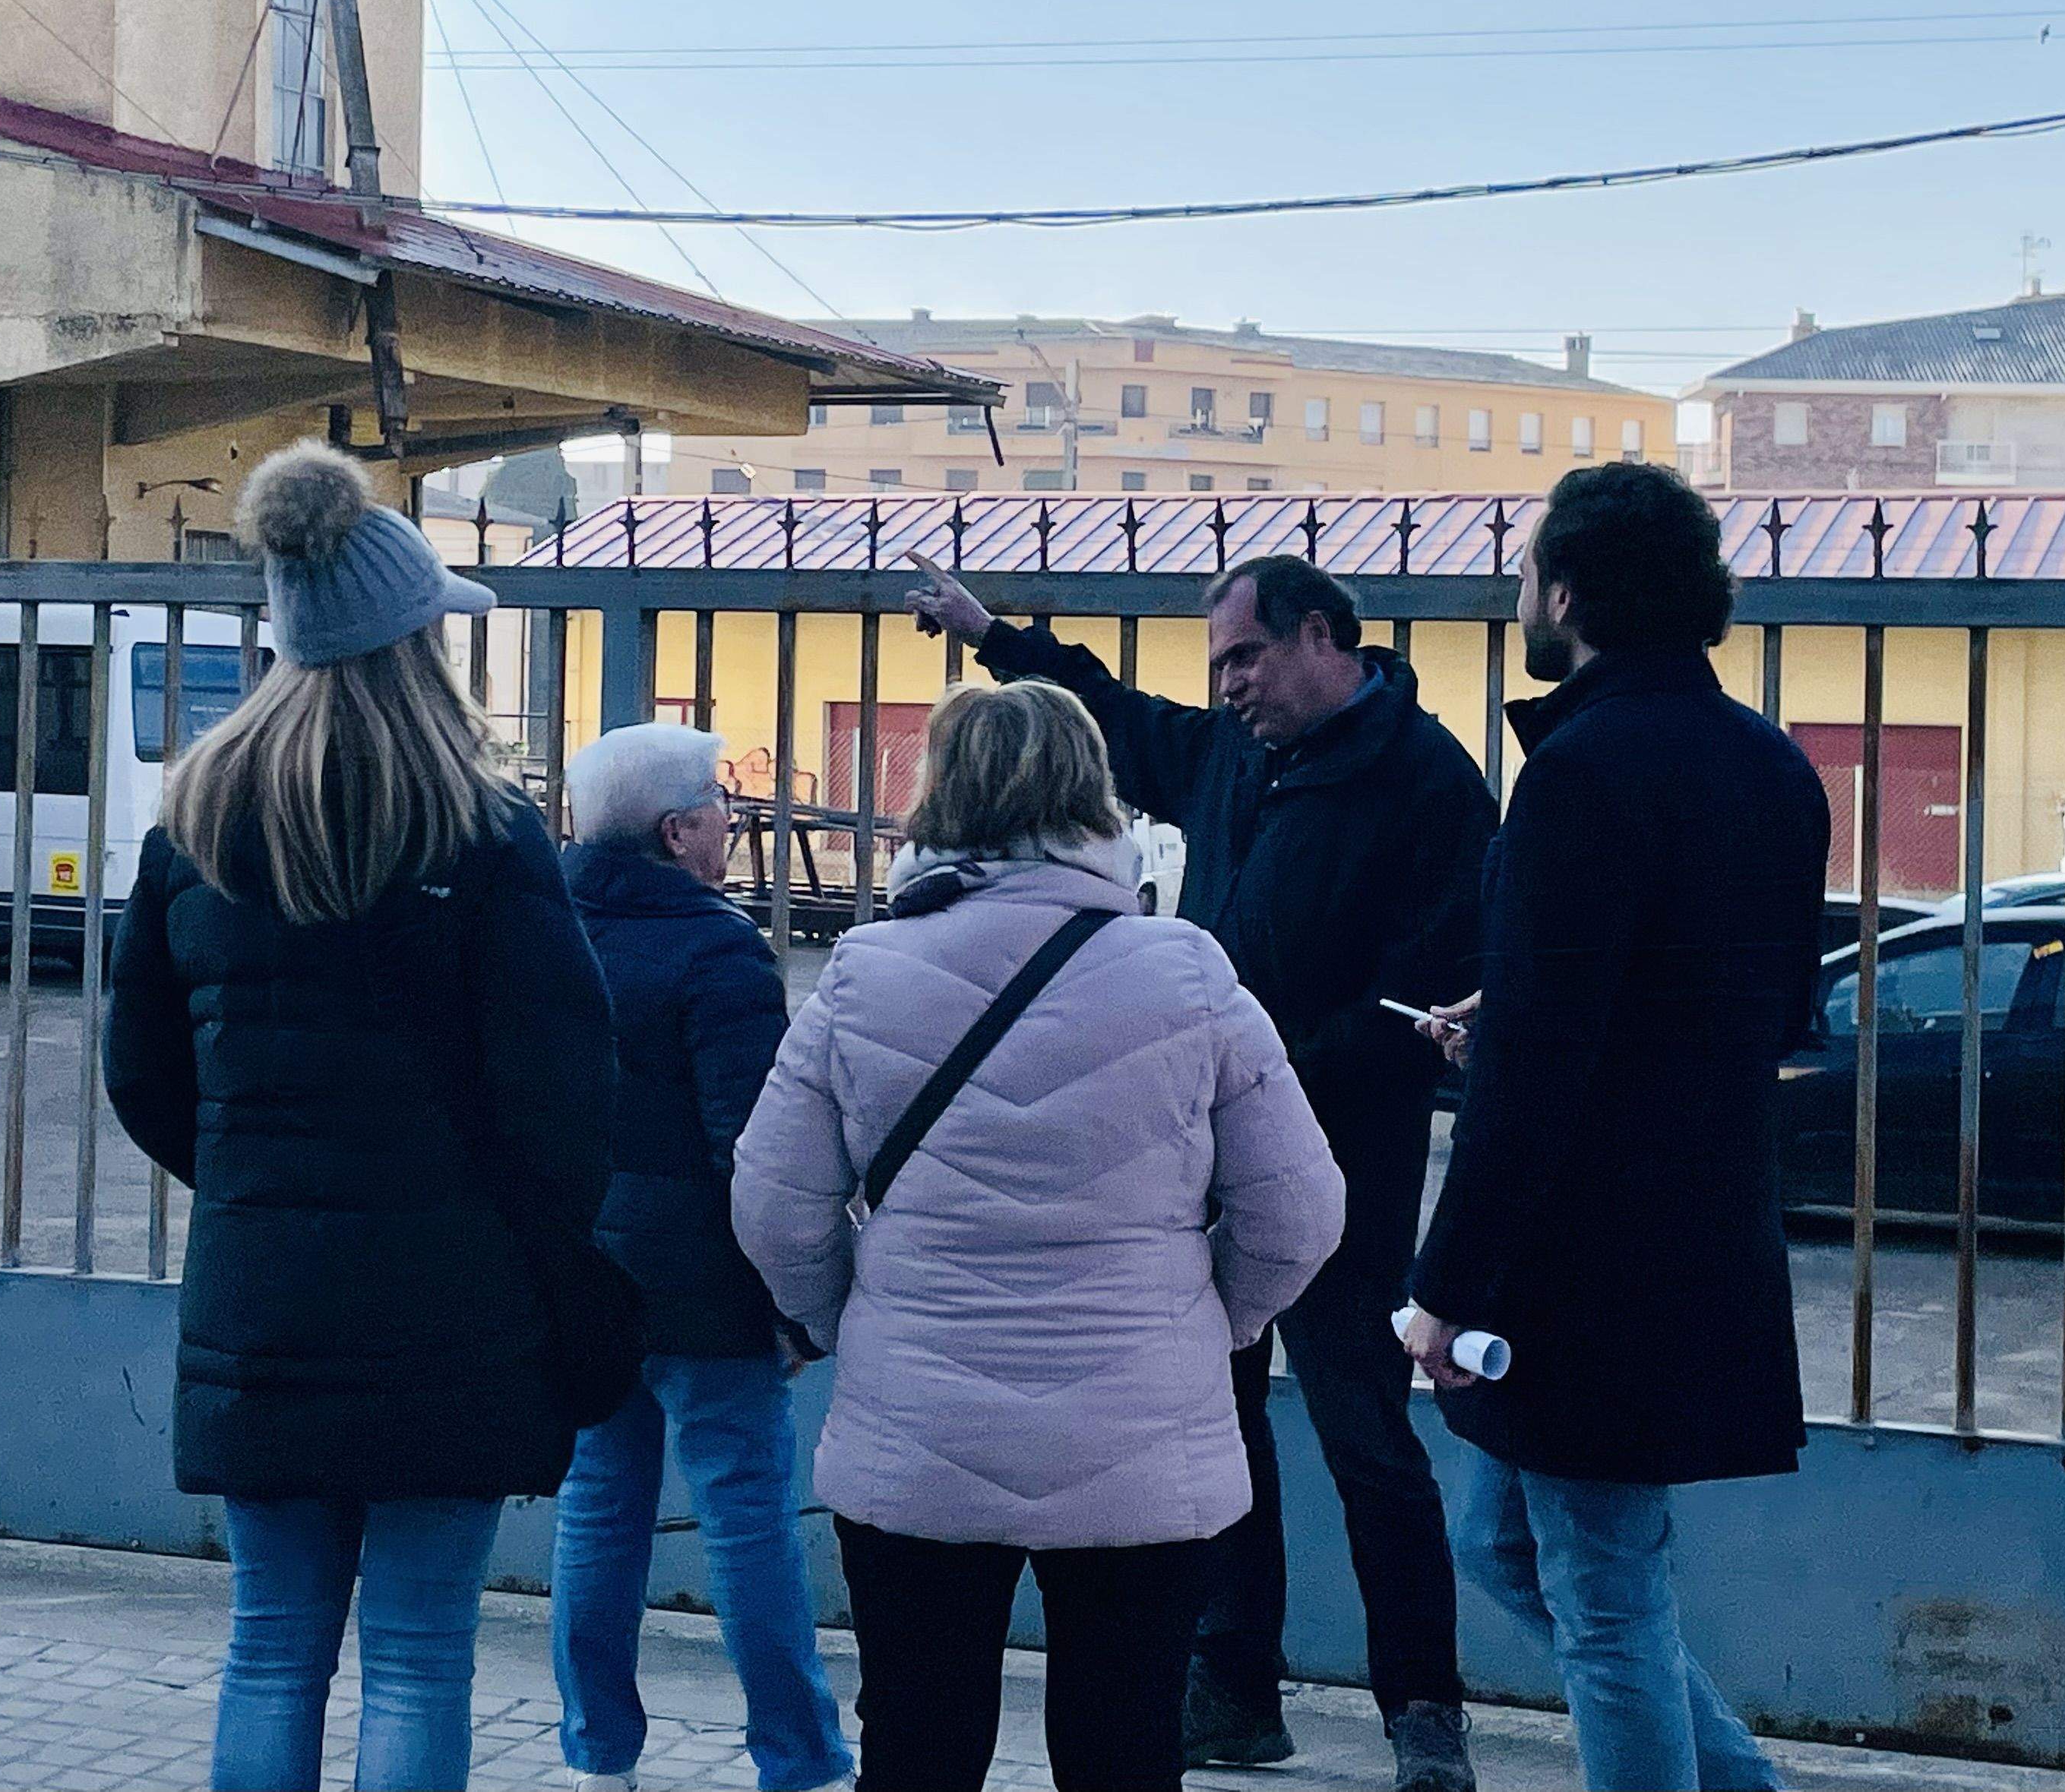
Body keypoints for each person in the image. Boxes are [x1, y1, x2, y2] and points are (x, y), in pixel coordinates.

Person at [906, 552, 1494, 1790]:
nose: (1224, 685)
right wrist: (989, 635)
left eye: (1245, 657)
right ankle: (1233, 1684)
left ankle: (1423, 1716)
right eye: (1216, 663)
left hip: (1341, 1162)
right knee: (1214, 1431)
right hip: (1202, 1156)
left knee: (1363, 1435)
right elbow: (1116, 720)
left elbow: (1427, 987)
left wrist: (1265, 1060)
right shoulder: (1238, 752)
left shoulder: (1429, 780)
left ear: (1324, 638)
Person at [105, 445, 615, 1792]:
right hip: (452, 1304)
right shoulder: (483, 828)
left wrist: (255, 1177)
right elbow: (566, 1087)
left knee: (270, 1646)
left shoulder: (193, 824)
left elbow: (143, 1078)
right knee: (418, 1650)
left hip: (260, 1298)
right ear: (415, 645)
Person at [732, 678, 1347, 1792]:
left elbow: (773, 1206)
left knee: (917, 1746)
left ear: (939, 797)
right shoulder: (1186, 973)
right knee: (1124, 1749)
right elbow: (1299, 1212)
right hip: (1140, 1435)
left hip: (916, 1425)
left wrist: (854, 1315)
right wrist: (1210, 1318)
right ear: (1093, 797)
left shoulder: (864, 974)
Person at [1402, 463, 1829, 1792]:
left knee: (1603, 1606)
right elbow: (1752, 1016)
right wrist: (1528, 1004)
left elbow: (1537, 1078)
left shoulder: (1580, 773)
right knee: (1517, 1554)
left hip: (1581, 1266)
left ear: (1568, 590)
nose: (1517, 592)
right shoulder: (1773, 768)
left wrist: (1440, 1291)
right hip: (1701, 1233)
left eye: (1526, 570)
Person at [548, 722, 853, 1792]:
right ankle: (799, 1759)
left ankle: (598, 1756)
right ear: (678, 832)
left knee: (598, 1505)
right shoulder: (718, 949)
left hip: (579, 1262)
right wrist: (795, 1300)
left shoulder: (544, 922)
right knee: (746, 1517)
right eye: (720, 805)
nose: (734, 819)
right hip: (702, 1279)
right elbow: (750, 1148)